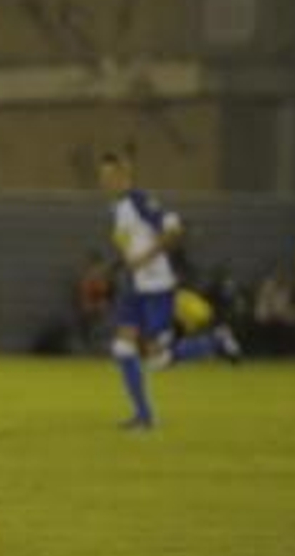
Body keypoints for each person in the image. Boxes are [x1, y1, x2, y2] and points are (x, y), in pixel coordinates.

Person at [97, 152, 240, 430]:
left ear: (123, 176)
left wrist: (145, 257)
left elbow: (174, 229)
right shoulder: (116, 208)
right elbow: (132, 245)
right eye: (102, 176)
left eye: (109, 175)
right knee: (122, 348)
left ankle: (216, 342)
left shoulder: (140, 201)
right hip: (134, 288)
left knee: (157, 359)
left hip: (156, 286)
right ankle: (144, 417)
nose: (104, 181)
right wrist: (116, 267)